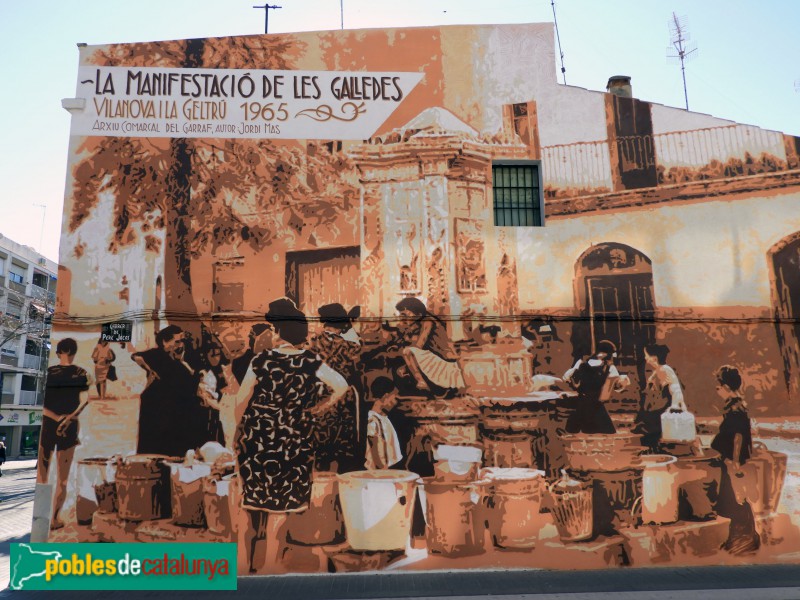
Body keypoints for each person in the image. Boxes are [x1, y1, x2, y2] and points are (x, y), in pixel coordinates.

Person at [215, 298, 347, 574]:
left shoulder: (260, 361)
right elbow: (341, 386)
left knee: (249, 503)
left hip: (257, 436)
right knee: (280, 507)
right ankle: (272, 564)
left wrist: (238, 434)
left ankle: (242, 563)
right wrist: (316, 409)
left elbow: (241, 401)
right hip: (294, 439)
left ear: (278, 333)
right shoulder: (311, 361)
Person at [132, 325, 221, 458]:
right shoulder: (158, 356)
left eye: (182, 341)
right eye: (177, 341)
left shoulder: (176, 359)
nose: (180, 345)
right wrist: (149, 370)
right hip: (159, 412)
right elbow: (136, 356)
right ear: (164, 342)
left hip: (173, 413)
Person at [38, 338, 91, 529]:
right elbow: (86, 400)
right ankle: (53, 519)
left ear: (59, 352)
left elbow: (42, 406)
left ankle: (40, 518)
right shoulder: (80, 373)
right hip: (69, 427)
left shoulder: (49, 373)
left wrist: (55, 417)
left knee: (42, 476)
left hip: (47, 425)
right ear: (74, 352)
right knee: (62, 478)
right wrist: (68, 418)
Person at [306, 303, 363, 473]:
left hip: (319, 398)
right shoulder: (351, 348)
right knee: (344, 451)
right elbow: (357, 372)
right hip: (344, 399)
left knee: (320, 449)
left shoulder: (311, 345)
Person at [711, 365, 760, 555]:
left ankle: (745, 540)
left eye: (718, 386)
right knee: (732, 499)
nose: (717, 390)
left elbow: (738, 436)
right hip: (730, 459)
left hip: (734, 461)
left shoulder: (736, 408)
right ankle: (737, 539)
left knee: (737, 499)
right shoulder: (734, 405)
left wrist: (736, 461)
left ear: (726, 386)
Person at [395, 297, 465, 397]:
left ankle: (421, 382)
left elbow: (419, 346)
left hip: (445, 361)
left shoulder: (428, 321)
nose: (403, 318)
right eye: (401, 315)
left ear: (418, 314)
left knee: (407, 352)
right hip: (437, 359)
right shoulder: (421, 323)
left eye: (405, 314)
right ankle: (424, 387)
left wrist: (406, 367)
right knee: (404, 357)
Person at [562, 340, 629, 434]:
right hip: (596, 405)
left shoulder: (582, 362)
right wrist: (623, 382)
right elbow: (616, 386)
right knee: (605, 431)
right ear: (605, 353)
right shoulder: (610, 367)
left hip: (582, 402)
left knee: (576, 430)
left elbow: (566, 377)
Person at [633, 344, 687, 451]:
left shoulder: (663, 370)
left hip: (667, 405)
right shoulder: (659, 369)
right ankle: (655, 447)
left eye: (646, 355)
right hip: (661, 405)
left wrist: (675, 406)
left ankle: (657, 448)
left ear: (654, 358)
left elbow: (675, 389)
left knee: (649, 426)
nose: (645, 358)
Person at [365, 377, 403, 470]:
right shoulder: (373, 420)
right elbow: (377, 455)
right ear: (386, 396)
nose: (395, 402)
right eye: (394, 398)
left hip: (389, 469)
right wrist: (383, 472)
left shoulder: (383, 419)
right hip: (380, 472)